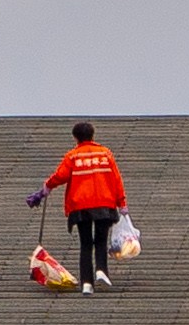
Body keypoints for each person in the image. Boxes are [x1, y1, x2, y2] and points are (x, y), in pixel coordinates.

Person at [31, 123, 130, 291]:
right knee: (100, 240)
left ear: (75, 138)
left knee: (85, 243)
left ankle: (86, 284)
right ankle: (101, 270)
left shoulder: (73, 156)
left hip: (80, 205)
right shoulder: (105, 154)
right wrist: (122, 203)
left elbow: (60, 176)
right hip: (104, 203)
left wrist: (46, 188)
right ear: (93, 135)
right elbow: (116, 180)